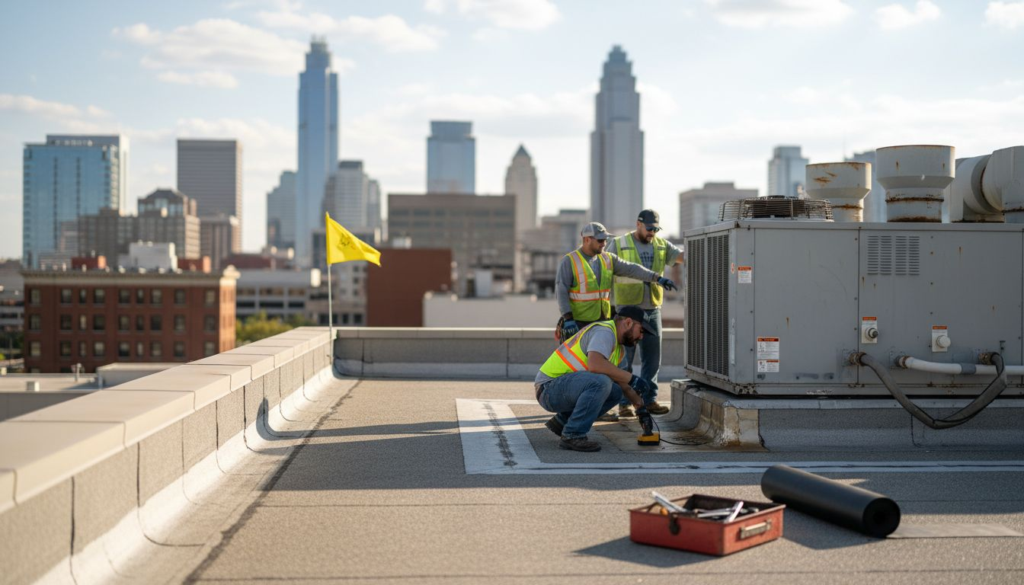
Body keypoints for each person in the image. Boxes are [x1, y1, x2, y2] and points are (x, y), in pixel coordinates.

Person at [534, 306, 658, 452]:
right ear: (628, 323)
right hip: (549, 389)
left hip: (560, 389)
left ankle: (563, 421)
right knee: (601, 383)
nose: (641, 337)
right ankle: (573, 434)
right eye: (641, 330)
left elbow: (624, 385)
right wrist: (633, 378)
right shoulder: (604, 332)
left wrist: (641, 409)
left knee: (615, 391)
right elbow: (595, 364)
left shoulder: (618, 349)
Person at [606, 209, 684, 418]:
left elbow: (681, 258)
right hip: (627, 309)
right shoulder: (620, 243)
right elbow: (606, 268)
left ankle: (649, 400)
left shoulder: (661, 244)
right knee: (625, 359)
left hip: (652, 308)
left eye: (656, 229)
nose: (652, 233)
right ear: (638, 224)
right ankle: (625, 403)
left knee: (652, 358)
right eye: (649, 228)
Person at [554, 222, 676, 345]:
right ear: (586, 239)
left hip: (602, 322)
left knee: (597, 359)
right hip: (578, 324)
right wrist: (568, 318)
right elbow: (561, 290)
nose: (604, 244)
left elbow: (631, 269)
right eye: (600, 240)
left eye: (605, 240)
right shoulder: (570, 261)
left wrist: (657, 278)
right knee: (576, 361)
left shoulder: (608, 259)